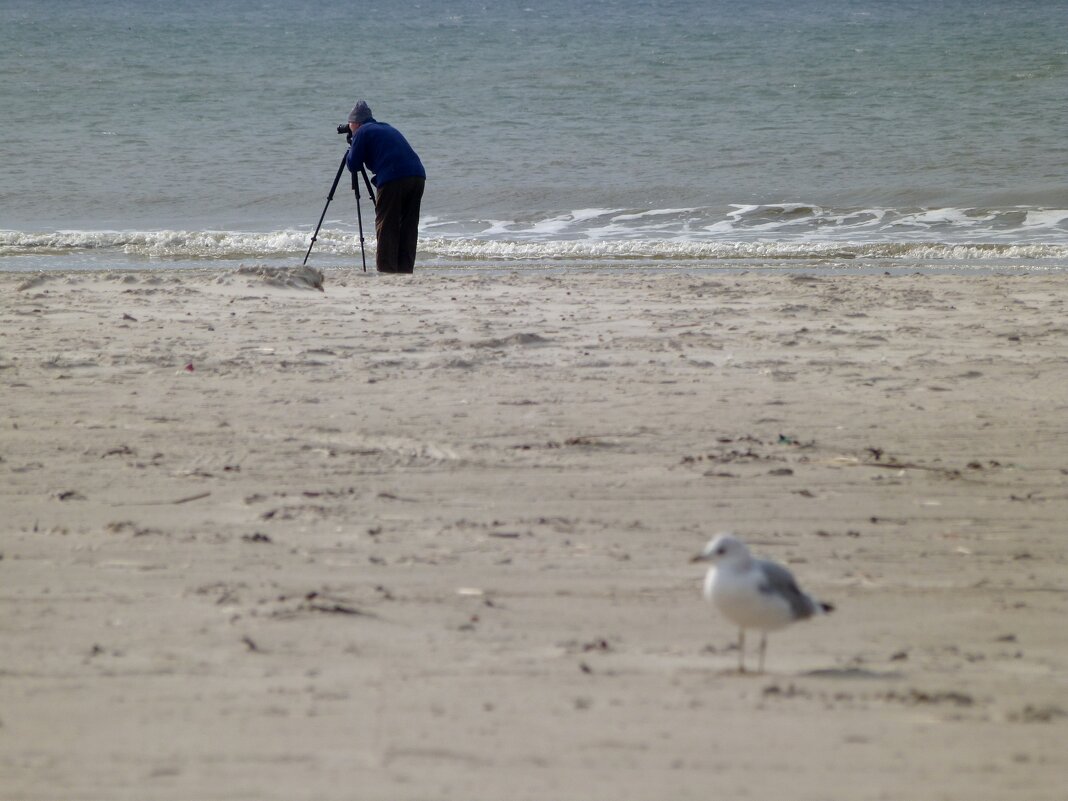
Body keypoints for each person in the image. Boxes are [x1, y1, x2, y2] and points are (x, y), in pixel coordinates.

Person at [346, 100, 426, 274]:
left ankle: (387, 271)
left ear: (356, 123)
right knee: (408, 226)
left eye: (350, 124)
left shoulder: (361, 132)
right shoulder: (386, 127)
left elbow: (354, 165)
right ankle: (405, 269)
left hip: (393, 177)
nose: (348, 126)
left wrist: (352, 145)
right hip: (418, 176)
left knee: (387, 225)